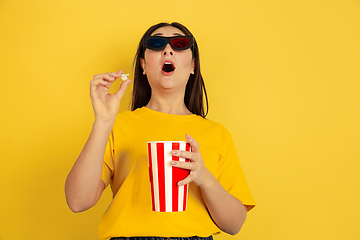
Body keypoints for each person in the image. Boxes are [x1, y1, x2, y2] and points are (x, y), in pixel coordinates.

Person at [65, 22, 255, 240]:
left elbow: (235, 224)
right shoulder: (116, 125)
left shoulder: (217, 134)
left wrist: (204, 178)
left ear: (193, 65)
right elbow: (77, 201)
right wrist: (102, 123)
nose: (167, 49)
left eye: (179, 43)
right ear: (143, 65)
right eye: (156, 44)